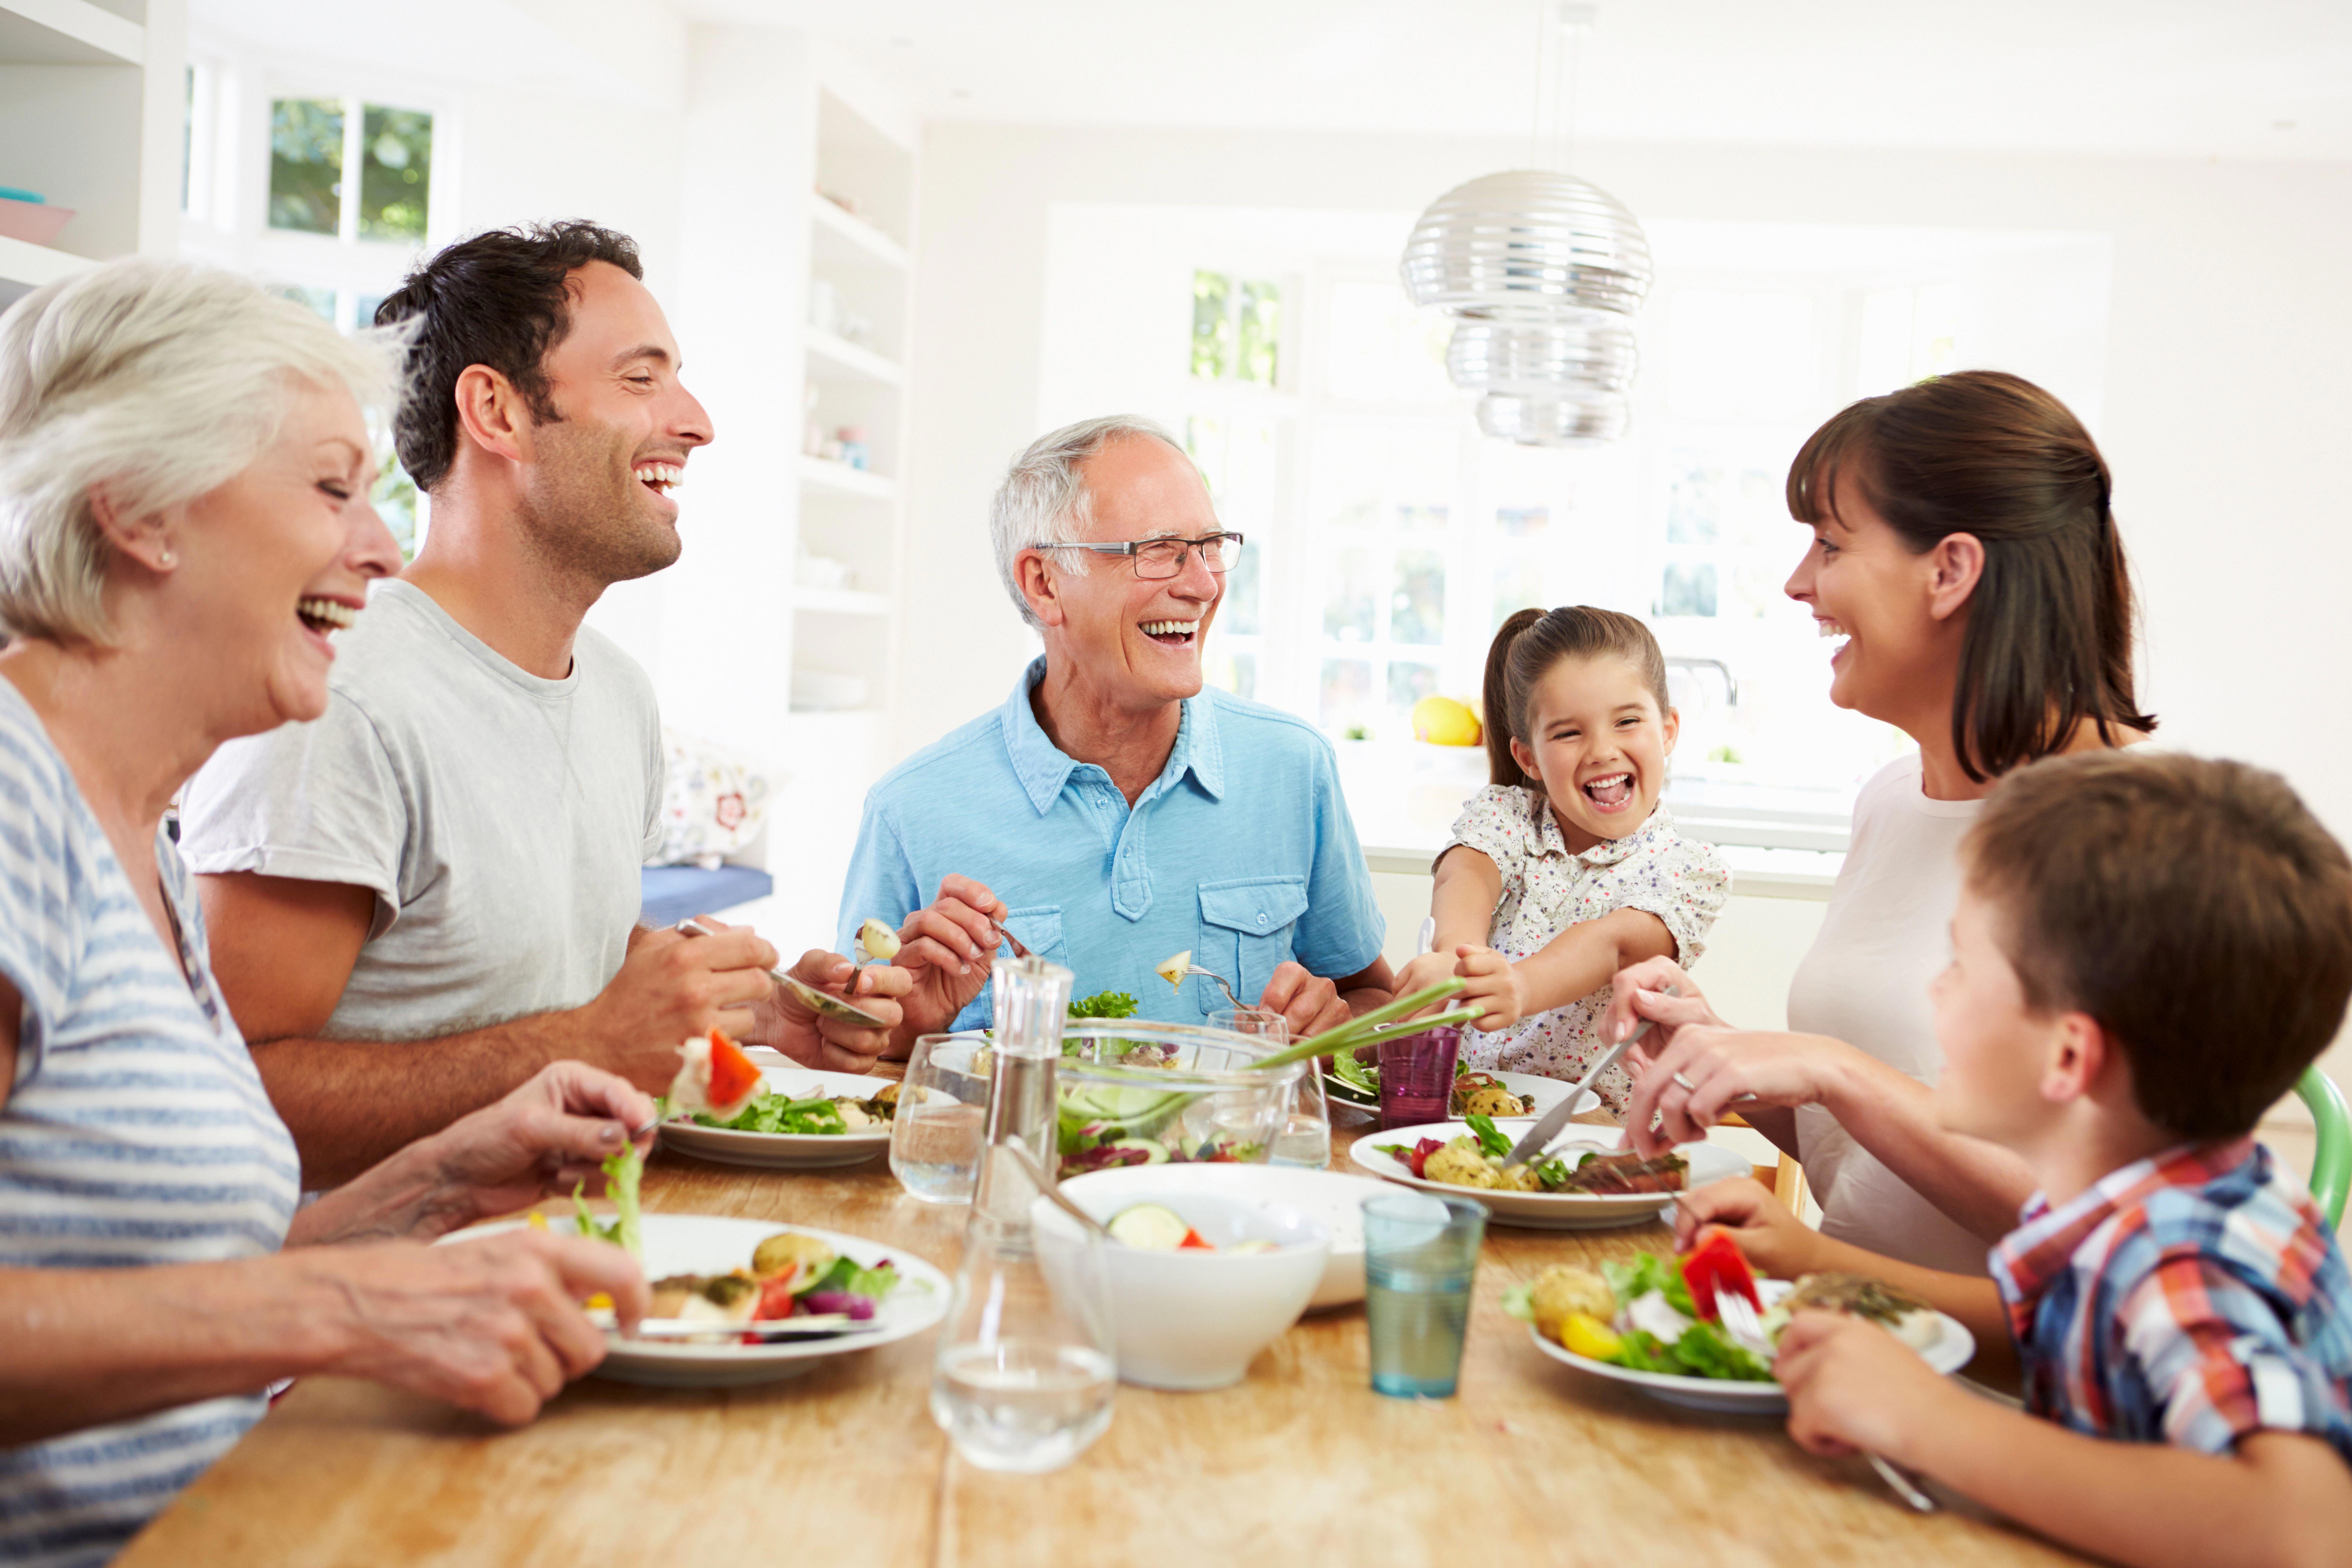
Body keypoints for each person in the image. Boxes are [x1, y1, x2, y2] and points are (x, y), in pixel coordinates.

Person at [0, 259, 655, 1568]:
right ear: (138, 510)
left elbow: (163, 1283)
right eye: (328, 488)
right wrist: (346, 1305)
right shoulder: (13, 803)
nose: (381, 545)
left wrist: (426, 1191)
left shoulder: (134, 838)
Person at [178, 222, 907, 1187]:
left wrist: (757, 1015)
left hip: (573, 1260)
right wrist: (594, 1041)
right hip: (382, 1300)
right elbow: (231, 1095)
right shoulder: (337, 697)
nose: (695, 421)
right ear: (497, 410)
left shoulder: (616, 695)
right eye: (642, 379)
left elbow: (546, 978)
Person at [1679, 751, 2352, 1566]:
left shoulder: (2184, 1250)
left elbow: (2304, 1529)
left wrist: (1933, 1422)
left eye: (1960, 965)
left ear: (2069, 1059)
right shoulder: (2134, 1200)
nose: (1935, 992)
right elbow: (2052, 1332)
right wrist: (1819, 1262)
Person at [1602, 370, 2152, 1271]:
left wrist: (1833, 1070)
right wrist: (1727, 1050)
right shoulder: (1894, 798)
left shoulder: (2136, 842)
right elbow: (1865, 1160)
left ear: (1950, 571)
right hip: (1844, 1344)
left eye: (1828, 544)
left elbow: (2109, 1246)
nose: (1795, 582)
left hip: (1971, 1389)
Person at [839, 415, 1393, 1051]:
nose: (1203, 585)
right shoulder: (911, 809)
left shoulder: (1293, 768)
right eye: (1157, 552)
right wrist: (906, 1032)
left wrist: (1341, 1025)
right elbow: (852, 1054)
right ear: (1044, 584)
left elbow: (1373, 997)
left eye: (1210, 546)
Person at [1391, 606, 1728, 1112]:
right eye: (1569, 733)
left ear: (1668, 730)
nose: (1602, 751)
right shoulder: (1507, 816)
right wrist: (1458, 960)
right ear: (1529, 757)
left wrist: (1518, 986)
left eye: (1627, 722)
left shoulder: (1686, 869)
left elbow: (1613, 944)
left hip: (1594, 1138)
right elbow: (1467, 873)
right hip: (1467, 1116)